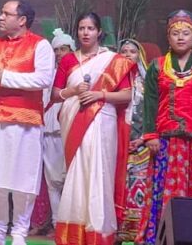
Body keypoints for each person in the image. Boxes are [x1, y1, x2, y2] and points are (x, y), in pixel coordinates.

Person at [0, 0, 55, 245]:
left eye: (6, 13)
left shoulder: (40, 45)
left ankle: (19, 233)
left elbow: (44, 79)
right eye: (1, 13)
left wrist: (5, 76)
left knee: (23, 179)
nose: (0, 17)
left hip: (24, 120)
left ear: (22, 20)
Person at [137, 10, 192, 245]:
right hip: (165, 141)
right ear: (168, 37)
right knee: (162, 189)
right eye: (175, 33)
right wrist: (151, 135)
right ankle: (161, 236)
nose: (180, 37)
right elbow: (150, 103)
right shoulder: (157, 66)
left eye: (186, 33)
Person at [51, 13, 135, 244]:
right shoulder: (68, 60)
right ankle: (74, 233)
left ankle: (98, 231)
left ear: (99, 32)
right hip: (73, 121)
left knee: (100, 173)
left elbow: (127, 95)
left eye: (90, 28)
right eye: (81, 28)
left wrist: (100, 95)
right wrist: (74, 91)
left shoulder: (114, 60)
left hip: (103, 121)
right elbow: (55, 95)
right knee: (76, 174)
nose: (85, 33)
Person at [35, 28, 74, 237]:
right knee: (51, 182)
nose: (59, 53)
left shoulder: (76, 72)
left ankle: (71, 223)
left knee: (69, 179)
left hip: (68, 130)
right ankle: (57, 223)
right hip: (48, 131)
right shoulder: (47, 74)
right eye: (56, 50)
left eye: (63, 49)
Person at [116, 38, 152, 242]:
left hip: (142, 146)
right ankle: (116, 234)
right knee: (117, 189)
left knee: (138, 189)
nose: (128, 54)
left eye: (132, 51)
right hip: (116, 144)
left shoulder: (149, 83)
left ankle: (137, 233)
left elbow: (155, 113)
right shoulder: (112, 81)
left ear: (140, 56)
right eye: (124, 51)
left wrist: (143, 138)